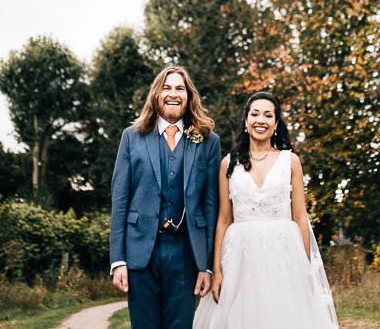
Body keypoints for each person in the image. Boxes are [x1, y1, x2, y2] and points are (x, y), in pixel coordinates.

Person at [193, 91, 338, 329]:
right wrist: (217, 270)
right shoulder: (228, 164)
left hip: (284, 256)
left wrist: (305, 266)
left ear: (276, 124)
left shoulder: (290, 162)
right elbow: (223, 220)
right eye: (255, 114)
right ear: (246, 121)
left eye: (268, 115)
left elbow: (300, 217)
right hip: (241, 260)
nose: (261, 120)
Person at [110, 66, 221, 329]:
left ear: (189, 96)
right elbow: (120, 200)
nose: (173, 94)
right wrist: (118, 260)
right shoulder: (132, 137)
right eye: (167, 88)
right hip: (140, 253)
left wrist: (206, 266)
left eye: (180, 88)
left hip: (186, 255)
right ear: (156, 94)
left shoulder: (208, 141)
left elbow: (211, 205)